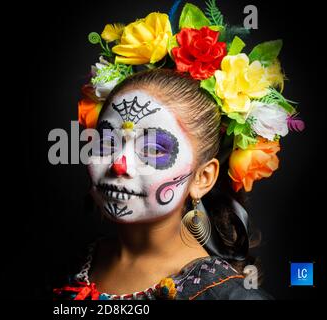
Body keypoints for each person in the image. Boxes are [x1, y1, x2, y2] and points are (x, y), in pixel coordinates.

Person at [53, 1, 303, 300]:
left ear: (203, 178)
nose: (119, 164)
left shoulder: (231, 295)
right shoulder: (72, 260)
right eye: (108, 143)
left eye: (153, 150)